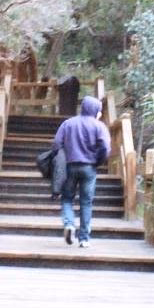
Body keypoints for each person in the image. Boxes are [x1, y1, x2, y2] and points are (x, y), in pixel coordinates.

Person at [50, 96, 111, 248]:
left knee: (67, 199)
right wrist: (98, 161)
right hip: (89, 168)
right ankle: (84, 239)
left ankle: (69, 224)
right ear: (95, 110)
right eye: (100, 111)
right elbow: (105, 147)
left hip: (70, 166)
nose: (100, 114)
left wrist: (62, 156)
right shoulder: (99, 126)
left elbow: (57, 143)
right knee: (86, 202)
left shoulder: (68, 123)